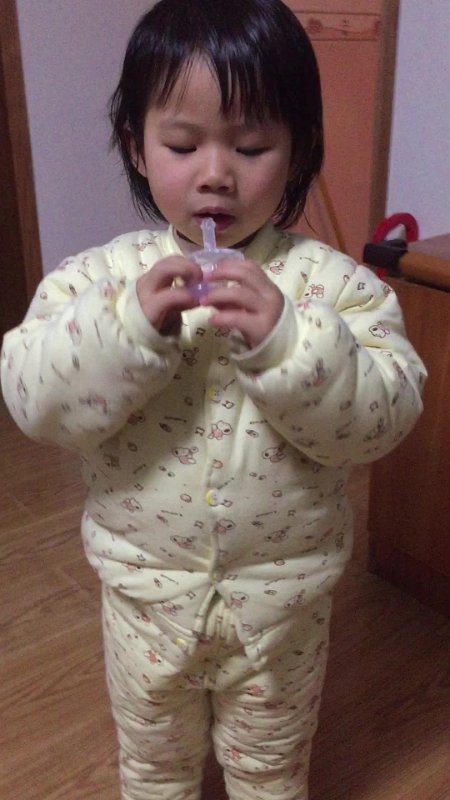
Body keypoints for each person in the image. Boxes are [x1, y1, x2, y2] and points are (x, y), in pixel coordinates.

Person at [0, 1, 426, 798]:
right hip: (143, 597)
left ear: (298, 150)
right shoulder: (98, 280)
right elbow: (32, 397)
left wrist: (292, 343)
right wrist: (125, 330)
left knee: (271, 769)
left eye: (252, 146)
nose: (216, 173)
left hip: (283, 607)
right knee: (153, 766)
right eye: (183, 144)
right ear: (136, 145)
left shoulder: (335, 287)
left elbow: (386, 415)